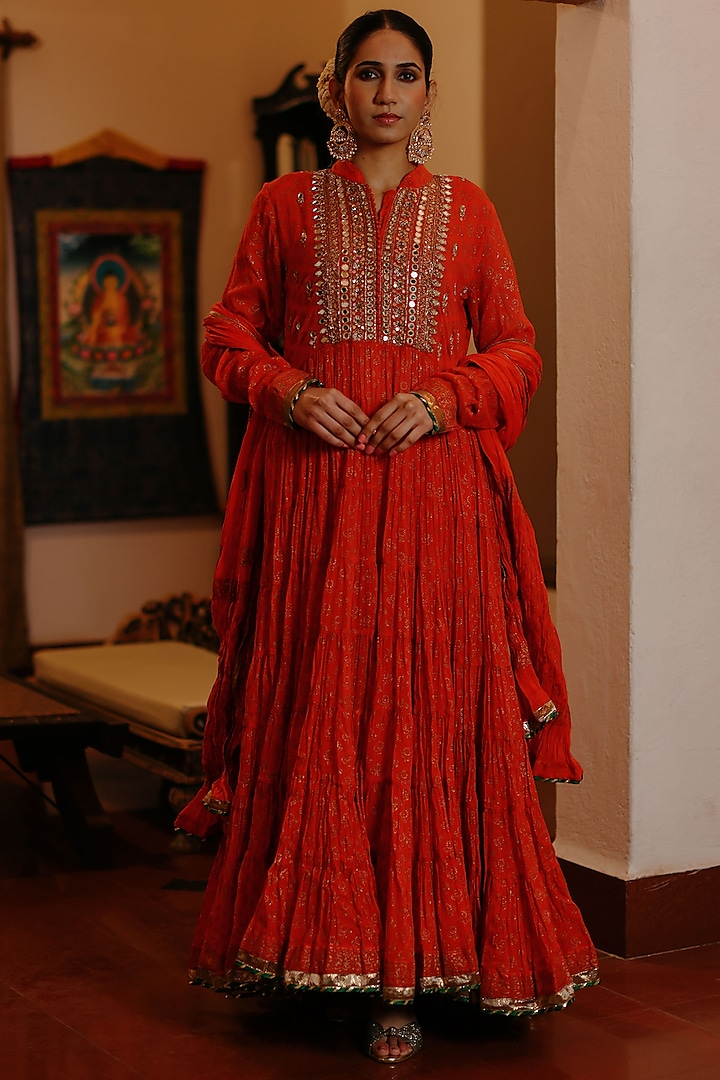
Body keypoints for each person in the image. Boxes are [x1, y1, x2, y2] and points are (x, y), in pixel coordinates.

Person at [176, 9, 598, 1065]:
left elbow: (515, 349)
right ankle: (325, 956)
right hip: (315, 496)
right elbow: (228, 334)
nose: (386, 93)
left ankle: (422, 969)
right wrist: (287, 388)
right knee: (324, 702)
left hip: (434, 504)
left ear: (429, 96)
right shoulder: (284, 208)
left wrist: (448, 399)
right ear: (335, 92)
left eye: (407, 75)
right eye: (367, 74)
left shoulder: (467, 214)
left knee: (424, 710)